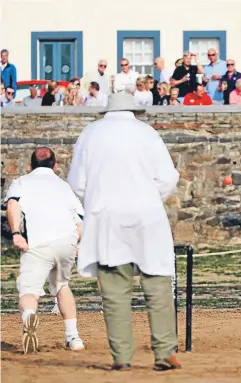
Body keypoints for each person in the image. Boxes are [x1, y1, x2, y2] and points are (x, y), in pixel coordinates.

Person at [67, 93, 181, 371]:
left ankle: (121, 356)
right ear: (133, 110)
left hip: (106, 216)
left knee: (115, 288)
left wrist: (98, 199)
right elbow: (168, 178)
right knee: (157, 282)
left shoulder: (90, 134)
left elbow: (77, 183)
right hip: (146, 214)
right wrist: (148, 198)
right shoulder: (147, 133)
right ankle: (165, 351)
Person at [2, 147, 85, 354]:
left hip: (38, 243)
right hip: (66, 242)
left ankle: (29, 315)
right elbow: (80, 221)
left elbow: (13, 205)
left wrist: (16, 233)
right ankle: (73, 338)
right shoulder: (64, 186)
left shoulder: (21, 182)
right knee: (61, 286)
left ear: (30, 166)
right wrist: (77, 244)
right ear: (55, 166)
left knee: (29, 290)